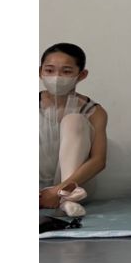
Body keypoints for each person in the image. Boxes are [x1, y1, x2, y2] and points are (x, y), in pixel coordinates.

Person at [39, 43, 108, 220]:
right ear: (40, 72)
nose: (56, 77)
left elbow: (99, 161)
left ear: (81, 75)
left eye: (66, 71)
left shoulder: (94, 111)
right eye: (49, 70)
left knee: (74, 120)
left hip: (77, 185)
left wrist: (58, 190)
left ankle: (66, 198)